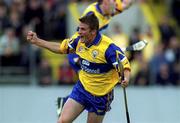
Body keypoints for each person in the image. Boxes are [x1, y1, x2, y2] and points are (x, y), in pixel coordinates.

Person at [27, 13, 131, 123]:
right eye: (79, 28)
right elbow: (61, 48)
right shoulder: (78, 40)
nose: (79, 32)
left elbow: (125, 66)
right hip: (82, 88)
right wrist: (37, 41)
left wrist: (126, 79)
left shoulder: (108, 48)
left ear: (93, 31)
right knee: (62, 121)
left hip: (101, 96)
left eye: (83, 29)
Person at [59, 0, 134, 117]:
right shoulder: (92, 16)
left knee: (91, 81)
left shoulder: (108, 9)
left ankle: (66, 101)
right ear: (104, 3)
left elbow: (125, 5)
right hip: (80, 51)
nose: (115, 5)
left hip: (91, 50)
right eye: (112, 3)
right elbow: (80, 38)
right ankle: (67, 101)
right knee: (89, 82)